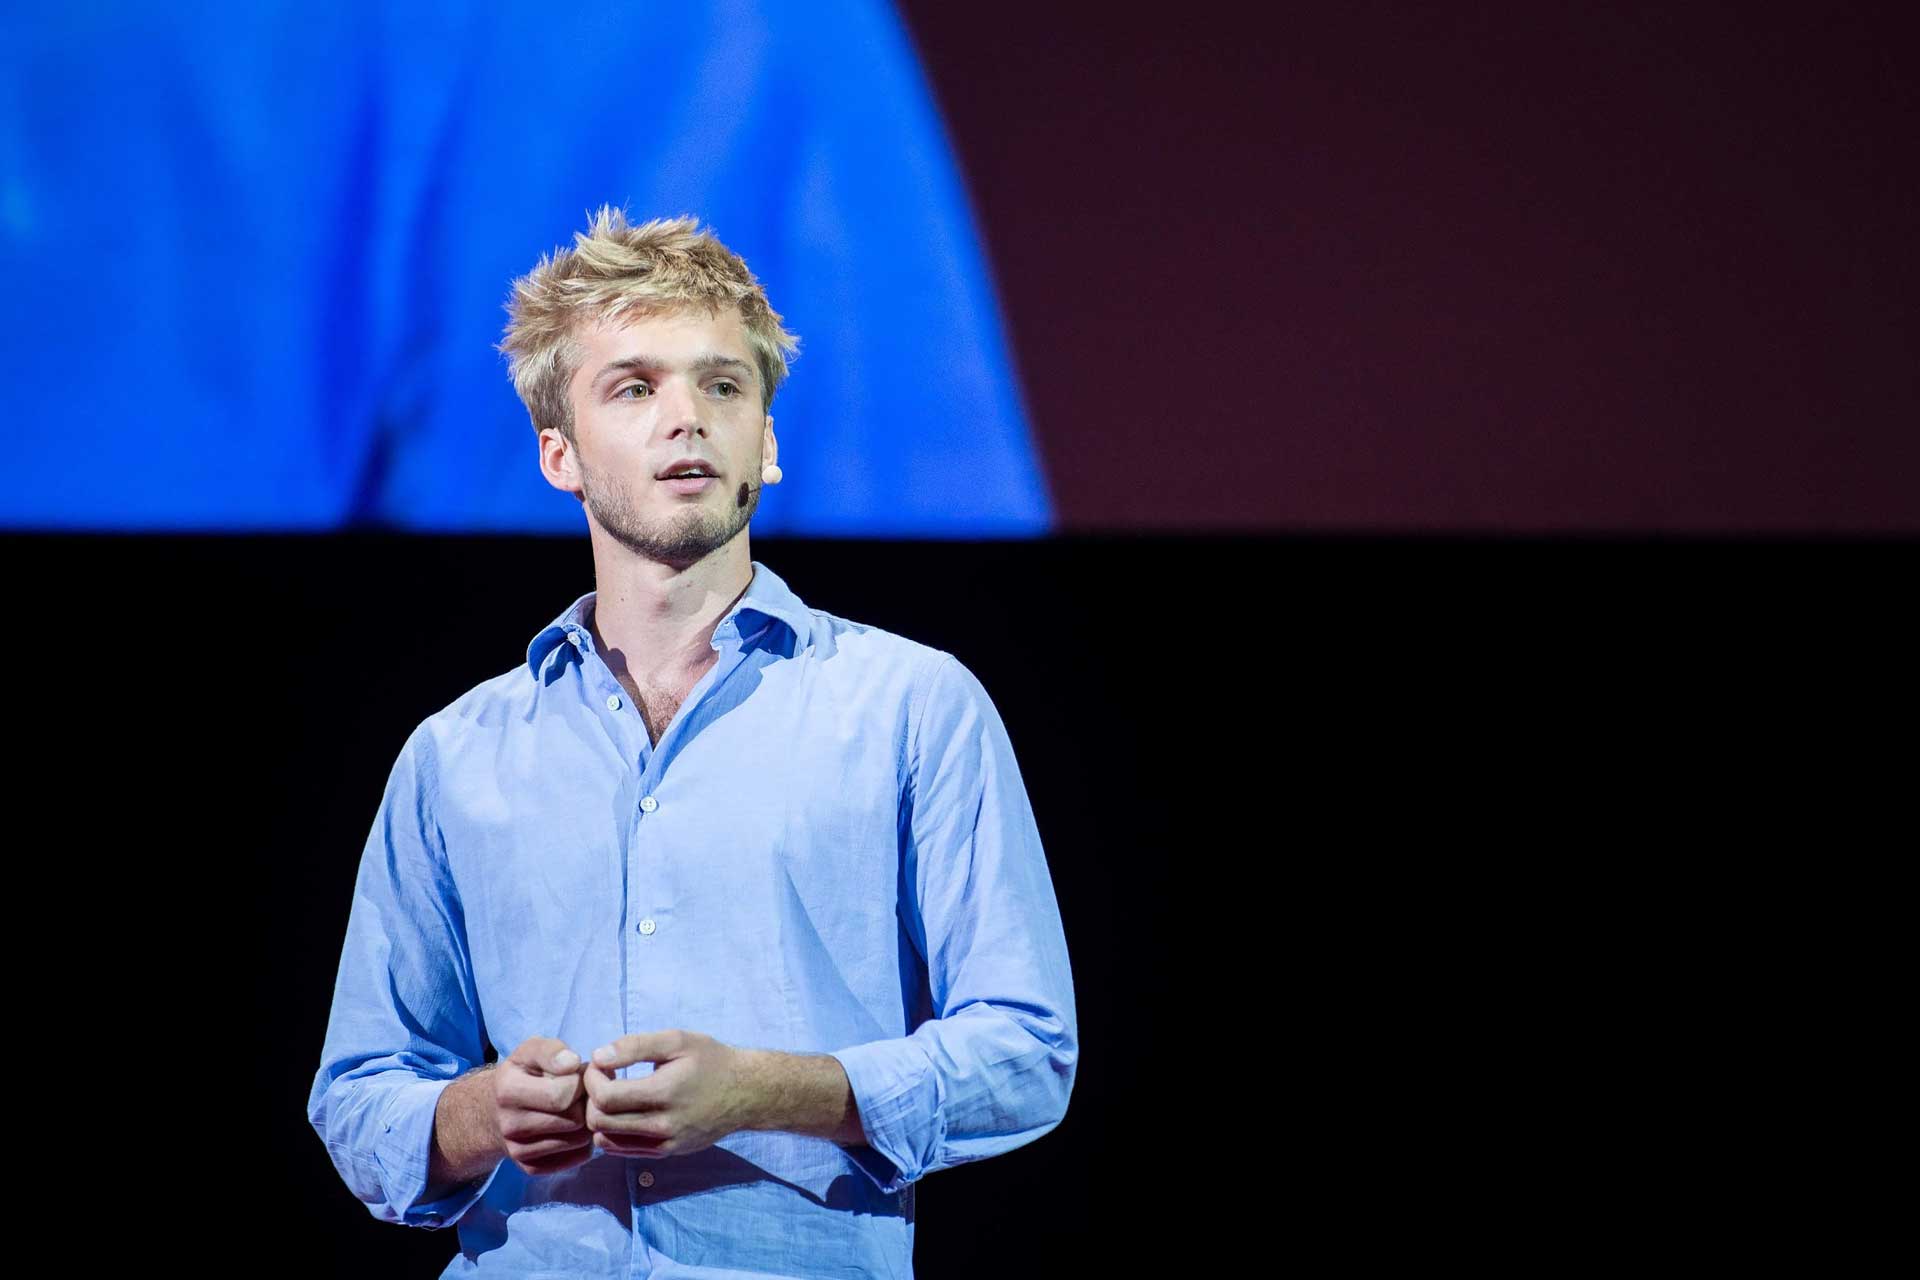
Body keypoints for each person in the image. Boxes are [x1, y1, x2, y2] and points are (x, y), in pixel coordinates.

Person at [306, 207, 1078, 1278]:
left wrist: (763, 1088)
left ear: (764, 438)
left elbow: (1028, 1048)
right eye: (635, 387)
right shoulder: (458, 753)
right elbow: (357, 1092)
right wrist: (484, 1110)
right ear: (559, 454)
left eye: (722, 386)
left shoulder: (913, 705)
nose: (689, 420)